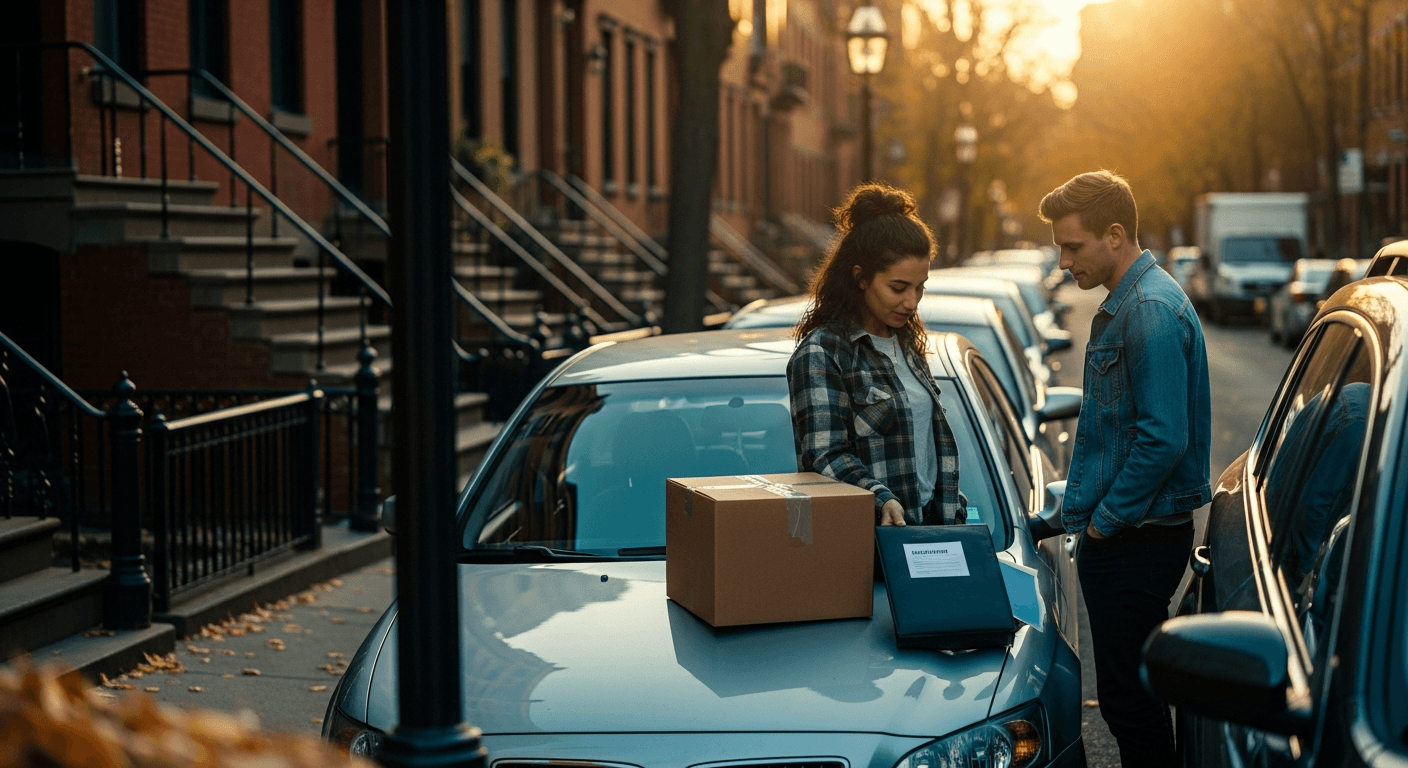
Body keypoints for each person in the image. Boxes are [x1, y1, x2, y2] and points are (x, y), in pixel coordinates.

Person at [1037, 170, 1211, 768]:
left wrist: (1105, 523)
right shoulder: (1136, 302)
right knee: (1128, 696)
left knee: (1129, 703)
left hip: (1138, 538)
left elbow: (1163, 439)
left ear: (1115, 234)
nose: (1063, 261)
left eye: (1073, 245)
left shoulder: (1149, 310)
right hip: (1136, 533)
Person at [787, 183, 960, 527]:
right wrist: (879, 497)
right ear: (861, 278)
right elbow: (823, 456)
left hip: (932, 533)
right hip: (870, 543)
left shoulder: (907, 344)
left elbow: (924, 455)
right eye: (898, 288)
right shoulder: (822, 353)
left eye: (919, 287)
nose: (912, 302)